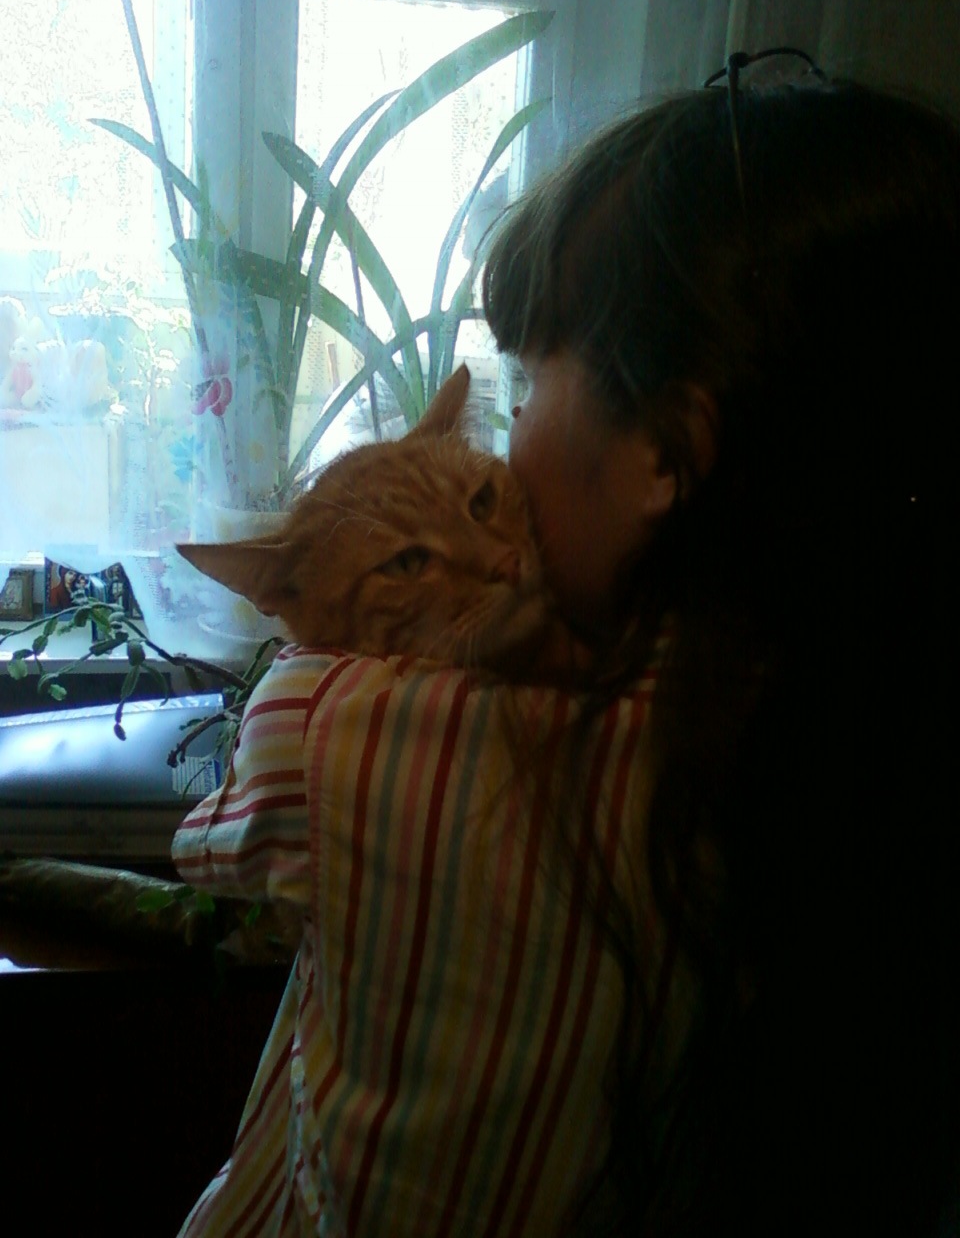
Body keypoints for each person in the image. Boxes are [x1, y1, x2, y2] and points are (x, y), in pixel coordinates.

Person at [172, 68, 959, 1237]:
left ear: (664, 460)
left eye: (530, 378)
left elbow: (218, 845)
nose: (497, 553)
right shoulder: (848, 730)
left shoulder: (327, 728)